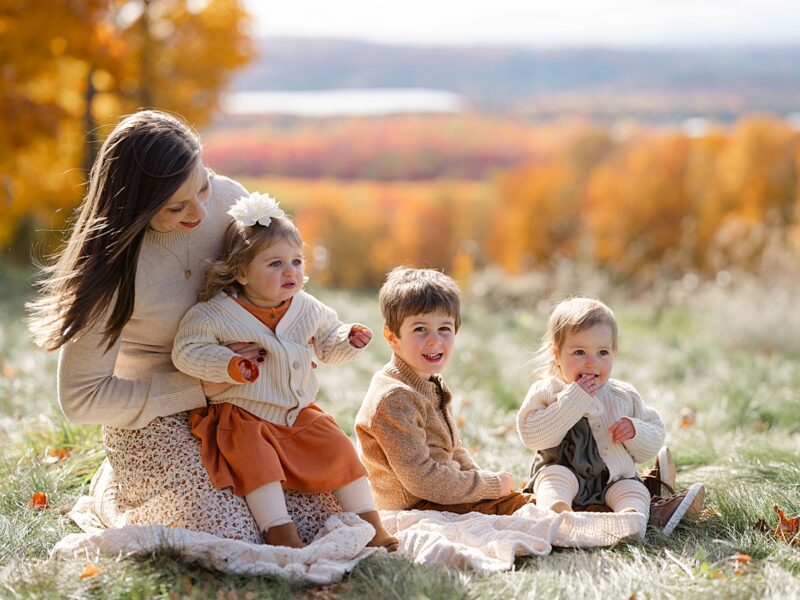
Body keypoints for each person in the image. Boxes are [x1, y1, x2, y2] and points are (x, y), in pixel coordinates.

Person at [27, 110, 338, 542]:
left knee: (319, 515)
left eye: (203, 186)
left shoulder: (231, 200)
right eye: (176, 206)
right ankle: (119, 488)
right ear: (135, 204)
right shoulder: (109, 269)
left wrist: (290, 341)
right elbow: (80, 398)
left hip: (249, 405)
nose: (200, 211)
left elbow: (275, 276)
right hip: (158, 415)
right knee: (230, 529)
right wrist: (196, 390)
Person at [170, 193, 398, 549]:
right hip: (242, 413)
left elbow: (326, 340)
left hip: (295, 412)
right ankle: (280, 532)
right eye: (274, 263)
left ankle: (371, 525)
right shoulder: (214, 313)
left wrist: (347, 339)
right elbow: (187, 351)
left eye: (296, 261)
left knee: (337, 445)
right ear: (242, 272)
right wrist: (227, 364)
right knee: (255, 460)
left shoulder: (306, 307)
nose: (290, 271)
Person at [355, 267, 537, 514]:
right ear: (391, 337)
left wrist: (480, 478)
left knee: (533, 501)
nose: (434, 340)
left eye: (444, 329)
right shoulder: (394, 397)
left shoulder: (429, 382)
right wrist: (490, 486)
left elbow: (454, 450)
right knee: (531, 512)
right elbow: (423, 479)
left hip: (443, 495)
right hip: (418, 506)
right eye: (420, 329)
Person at [516, 297, 704, 536]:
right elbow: (532, 436)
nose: (591, 363)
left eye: (602, 352)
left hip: (612, 478)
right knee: (554, 480)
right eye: (579, 352)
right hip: (562, 471)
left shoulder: (622, 395)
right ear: (556, 355)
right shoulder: (548, 391)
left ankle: (630, 522)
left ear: (614, 353)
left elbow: (654, 435)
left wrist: (635, 431)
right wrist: (572, 401)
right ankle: (558, 517)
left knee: (632, 489)